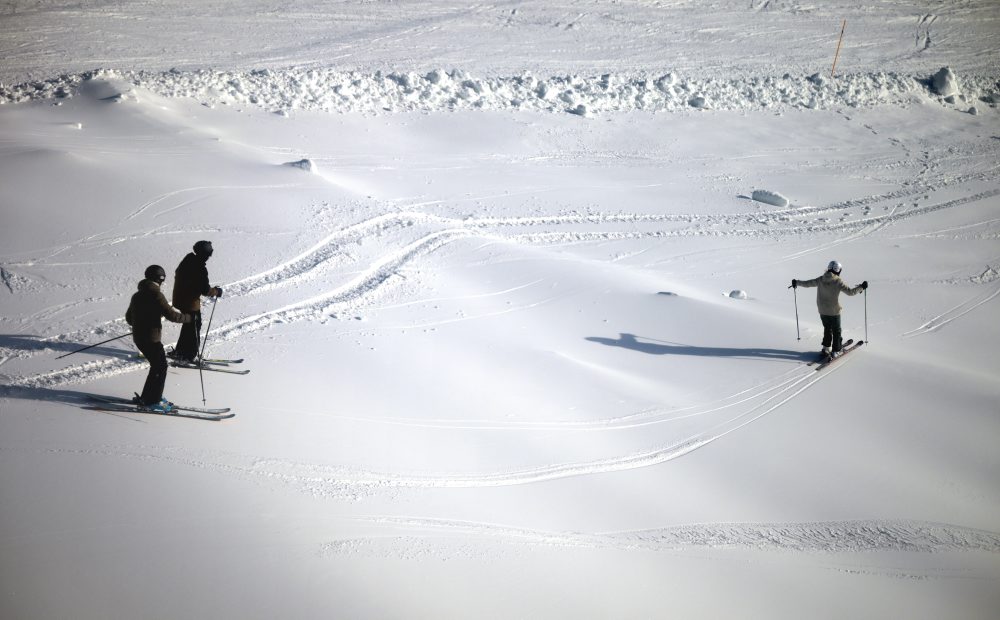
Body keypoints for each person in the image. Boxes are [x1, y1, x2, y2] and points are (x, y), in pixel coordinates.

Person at [125, 265, 191, 411]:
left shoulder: (137, 295)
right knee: (160, 367)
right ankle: (153, 401)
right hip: (151, 339)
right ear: (160, 279)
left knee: (157, 366)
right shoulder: (156, 295)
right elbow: (172, 315)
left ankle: (148, 397)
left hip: (139, 338)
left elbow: (129, 319)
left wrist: (144, 319)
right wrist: (188, 318)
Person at [792, 260, 868, 356]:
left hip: (822, 310)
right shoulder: (838, 281)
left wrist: (797, 282)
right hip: (834, 311)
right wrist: (862, 287)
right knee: (836, 331)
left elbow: (807, 283)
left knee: (827, 328)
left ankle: (826, 348)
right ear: (838, 270)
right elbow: (850, 292)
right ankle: (836, 350)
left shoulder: (821, 279)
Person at [170, 240, 222, 364]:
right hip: (189, 303)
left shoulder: (187, 260)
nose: (209, 256)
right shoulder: (200, 268)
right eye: (209, 254)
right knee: (194, 327)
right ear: (205, 254)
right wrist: (216, 291)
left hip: (179, 299)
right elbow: (205, 290)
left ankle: (180, 351)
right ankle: (189, 356)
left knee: (188, 324)